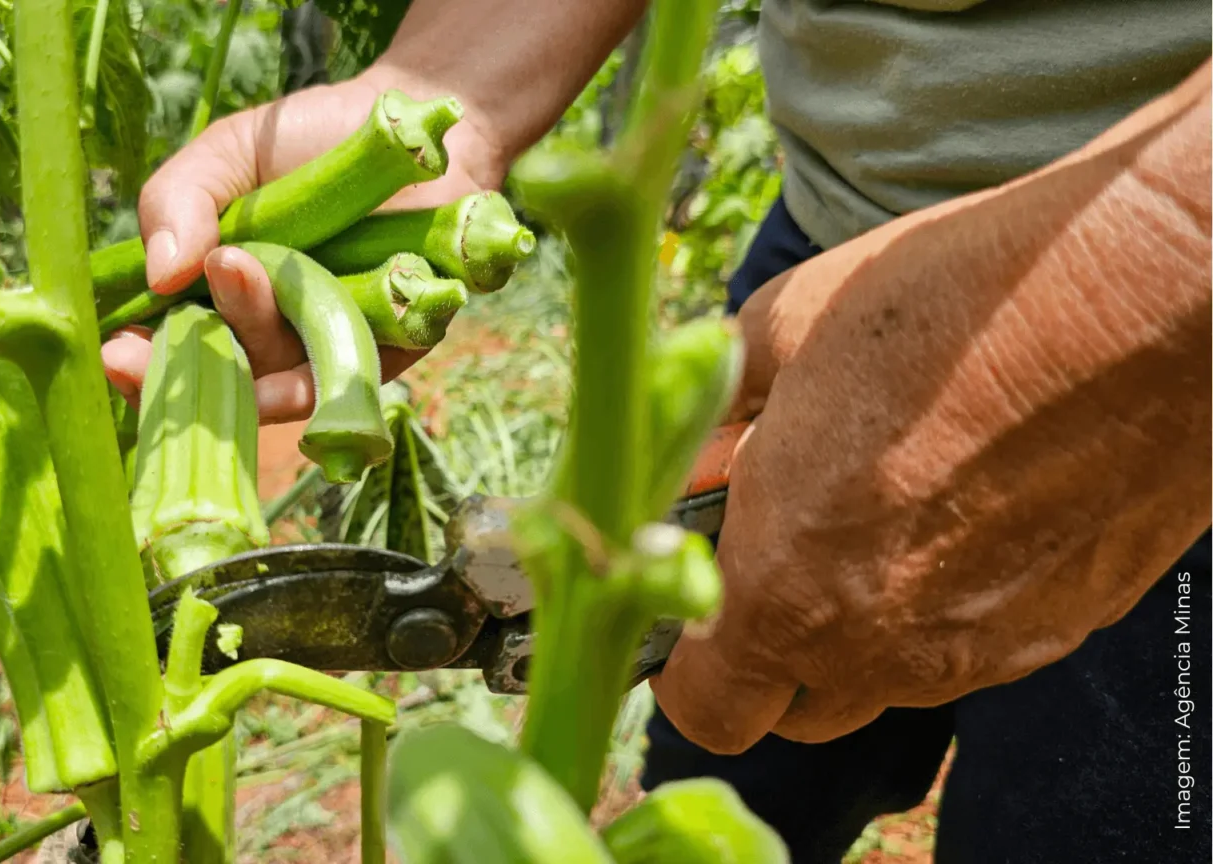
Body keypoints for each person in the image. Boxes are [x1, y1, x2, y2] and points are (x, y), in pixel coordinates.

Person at [101, 2, 1212, 861]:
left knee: (1098, 819)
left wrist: (1138, 291)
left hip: (1170, 371)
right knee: (715, 777)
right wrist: (441, 87)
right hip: (826, 262)